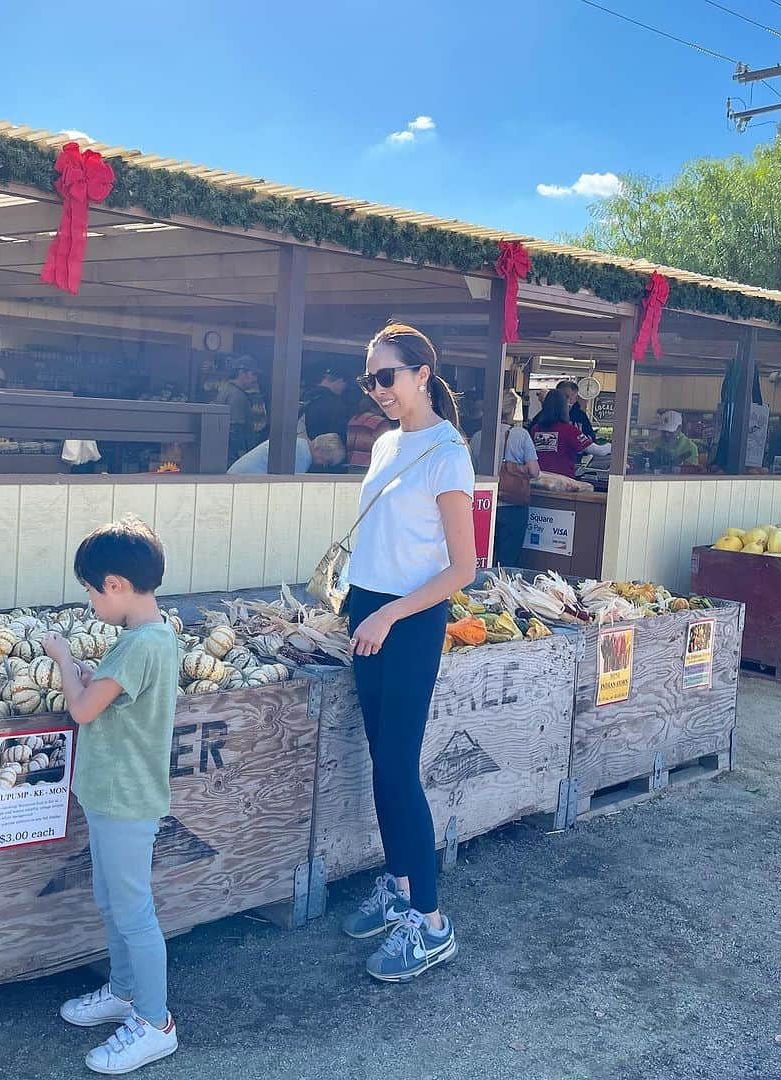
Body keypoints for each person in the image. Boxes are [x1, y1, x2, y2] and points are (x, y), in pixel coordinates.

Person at [343, 323, 477, 983]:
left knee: (398, 767)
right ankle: (398, 884)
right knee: (381, 759)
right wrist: (357, 604)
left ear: (423, 372)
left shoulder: (448, 452)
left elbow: (464, 568)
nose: (378, 390)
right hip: (367, 611)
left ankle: (430, 922)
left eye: (386, 376)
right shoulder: (387, 442)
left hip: (408, 620)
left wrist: (391, 614)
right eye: (370, 378)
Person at [43, 519, 180, 1075]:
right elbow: (108, 697)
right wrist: (85, 673)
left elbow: (81, 710)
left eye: (92, 590)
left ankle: (155, 1022)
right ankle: (124, 992)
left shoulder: (135, 645)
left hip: (125, 801)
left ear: (117, 584)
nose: (93, 601)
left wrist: (61, 659)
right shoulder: (158, 636)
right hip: (113, 796)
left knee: (133, 911)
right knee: (112, 901)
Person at [493, 391, 540, 567]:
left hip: (487, 506)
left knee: (485, 555)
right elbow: (535, 471)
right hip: (514, 506)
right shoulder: (520, 435)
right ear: (512, 410)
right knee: (509, 560)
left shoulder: (478, 436)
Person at [528, 389, 610, 478]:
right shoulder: (569, 430)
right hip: (563, 480)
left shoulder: (535, 429)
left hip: (540, 478)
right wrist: (612, 446)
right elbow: (598, 451)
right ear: (564, 408)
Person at [226, 433, 345, 474]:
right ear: (320, 449)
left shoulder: (298, 444)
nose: (324, 465)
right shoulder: (302, 456)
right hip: (245, 484)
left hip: (238, 478)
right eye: (327, 461)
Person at [216, 357, 259, 464]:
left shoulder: (226, 390)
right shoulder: (237, 396)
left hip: (223, 452)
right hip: (234, 456)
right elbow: (236, 429)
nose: (255, 378)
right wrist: (241, 454)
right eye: (253, 373)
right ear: (241, 373)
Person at [302, 363, 351, 446]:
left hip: (304, 448)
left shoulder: (305, 398)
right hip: (327, 453)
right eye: (345, 385)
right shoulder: (336, 405)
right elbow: (339, 436)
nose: (344, 389)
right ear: (340, 381)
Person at [347, 397, 396, 470]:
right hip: (371, 467)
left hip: (352, 465)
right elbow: (388, 446)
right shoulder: (379, 422)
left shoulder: (353, 420)